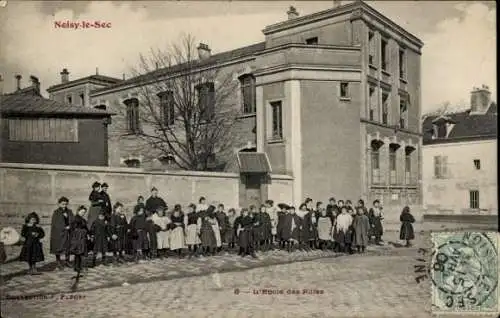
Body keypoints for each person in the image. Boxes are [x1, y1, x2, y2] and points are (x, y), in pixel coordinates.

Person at [50, 196, 73, 270]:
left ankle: (67, 261)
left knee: (68, 246)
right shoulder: (56, 212)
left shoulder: (69, 212)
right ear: (59, 204)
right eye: (63, 204)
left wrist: (70, 225)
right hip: (59, 233)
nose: (64, 206)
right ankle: (58, 261)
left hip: (68, 232)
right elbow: (55, 224)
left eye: (66, 204)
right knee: (58, 247)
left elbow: (72, 220)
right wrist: (64, 227)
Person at [70, 206, 90, 277]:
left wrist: (88, 234)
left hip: (82, 238)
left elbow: (86, 228)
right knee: (78, 252)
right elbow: (74, 229)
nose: (83, 213)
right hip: (77, 238)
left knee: (80, 252)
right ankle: (77, 267)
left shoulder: (83, 220)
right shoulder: (75, 219)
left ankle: (78, 267)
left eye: (84, 212)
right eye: (82, 212)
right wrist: (83, 231)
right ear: (78, 211)